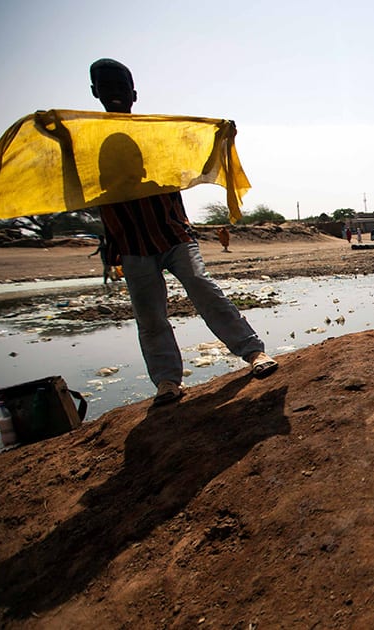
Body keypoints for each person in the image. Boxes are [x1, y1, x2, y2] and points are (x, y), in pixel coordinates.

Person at [87, 58, 276, 406]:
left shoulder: (157, 135)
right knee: (149, 315)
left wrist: (221, 139)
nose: (115, 93)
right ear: (95, 92)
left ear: (134, 93)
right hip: (131, 242)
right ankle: (168, 382)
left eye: (121, 87)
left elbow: (195, 164)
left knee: (203, 288)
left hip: (171, 233)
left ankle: (254, 354)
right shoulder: (86, 140)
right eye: (107, 87)